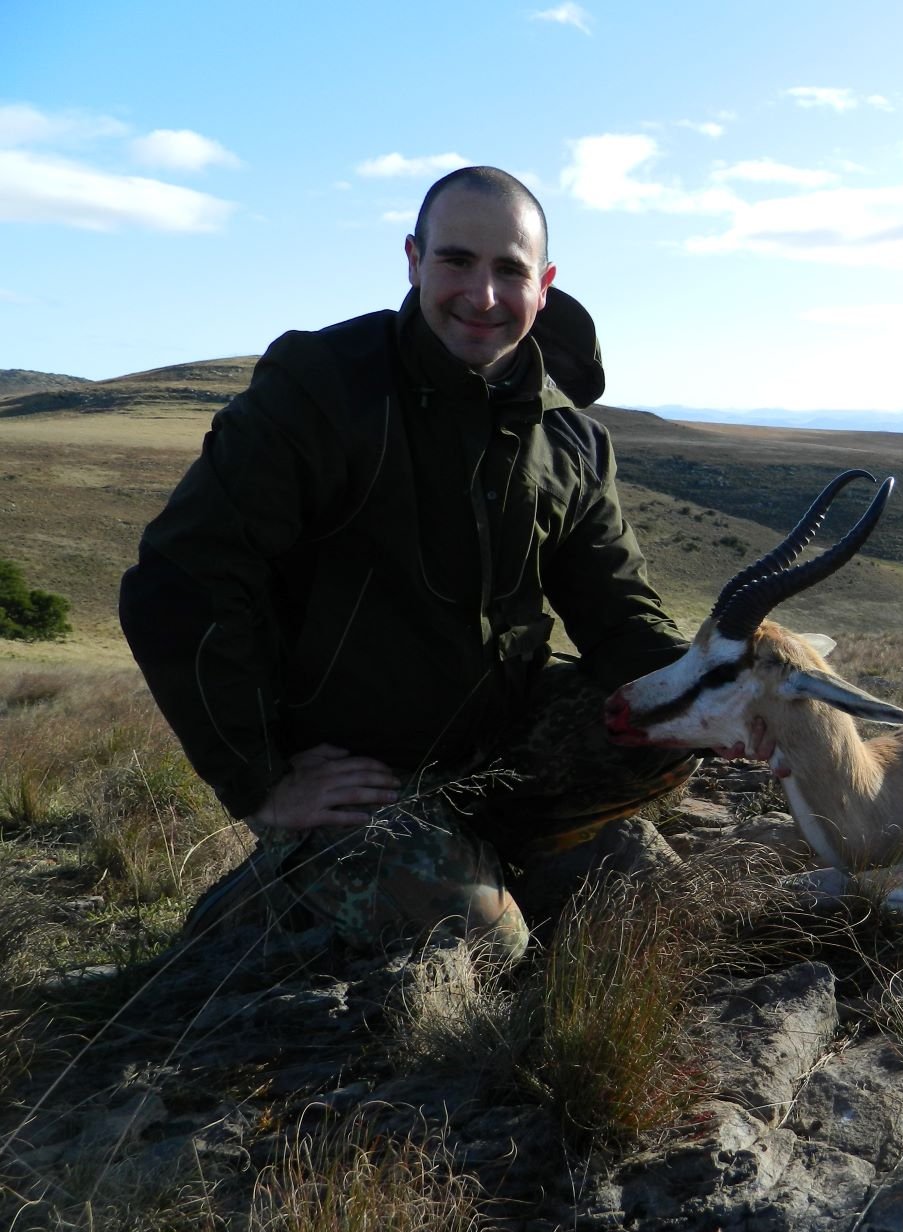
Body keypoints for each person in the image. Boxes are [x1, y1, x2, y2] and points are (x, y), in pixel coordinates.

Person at [120, 166, 698, 963]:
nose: (482, 295)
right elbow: (178, 583)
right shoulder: (320, 390)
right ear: (413, 260)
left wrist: (723, 691)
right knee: (484, 945)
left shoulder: (571, 439)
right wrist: (264, 781)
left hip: (493, 750)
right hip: (360, 774)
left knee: (676, 723)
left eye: (509, 271)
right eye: (457, 262)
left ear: (546, 283)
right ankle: (280, 889)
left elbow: (618, 614)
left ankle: (474, 852)